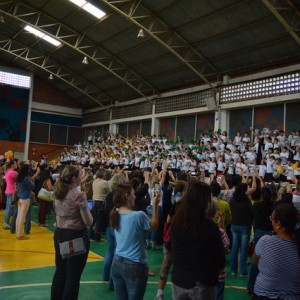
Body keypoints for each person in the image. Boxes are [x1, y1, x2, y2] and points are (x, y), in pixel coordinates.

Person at [170, 181, 225, 300]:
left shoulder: (176, 222)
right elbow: (220, 259)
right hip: (201, 283)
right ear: (205, 201)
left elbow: (171, 248)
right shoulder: (210, 227)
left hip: (179, 279)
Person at [110, 183, 160, 299]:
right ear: (127, 196)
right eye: (133, 194)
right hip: (134, 266)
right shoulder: (138, 216)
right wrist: (155, 206)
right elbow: (154, 226)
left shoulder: (115, 213)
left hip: (117, 263)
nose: (135, 197)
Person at [51, 165, 93, 300]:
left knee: (61, 272)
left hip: (59, 233)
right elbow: (88, 221)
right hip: (74, 236)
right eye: (80, 176)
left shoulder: (58, 192)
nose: (82, 178)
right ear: (74, 179)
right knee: (73, 275)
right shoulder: (78, 195)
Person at [253, 204, 300, 299]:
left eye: (272, 219)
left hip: (263, 295)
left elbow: (255, 262)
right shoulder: (297, 245)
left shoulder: (265, 241)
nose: (271, 222)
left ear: (278, 223)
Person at [229, 182, 253, 277]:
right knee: (243, 249)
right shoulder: (246, 200)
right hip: (245, 226)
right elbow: (251, 213)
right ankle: (243, 271)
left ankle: (233, 270)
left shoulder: (232, 199)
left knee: (234, 248)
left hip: (234, 225)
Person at [15, 163, 40, 240]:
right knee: (22, 217)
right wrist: (32, 179)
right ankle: (20, 235)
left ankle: (18, 232)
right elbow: (32, 187)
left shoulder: (19, 177)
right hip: (25, 198)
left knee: (19, 216)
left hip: (19, 198)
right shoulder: (26, 178)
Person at [3, 160, 18, 229]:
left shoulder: (6, 172)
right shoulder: (13, 172)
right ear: (12, 165)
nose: (16, 164)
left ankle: (6, 222)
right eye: (15, 163)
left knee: (7, 207)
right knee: (10, 208)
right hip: (12, 191)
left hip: (7, 190)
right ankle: (6, 223)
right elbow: (19, 179)